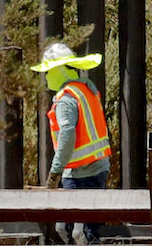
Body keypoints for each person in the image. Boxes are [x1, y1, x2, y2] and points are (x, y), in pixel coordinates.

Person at [32, 42, 112, 243]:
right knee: (87, 230)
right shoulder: (86, 89)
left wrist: (55, 172)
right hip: (99, 168)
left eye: (48, 71)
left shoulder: (66, 98)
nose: (47, 76)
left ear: (59, 69)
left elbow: (67, 135)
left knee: (72, 231)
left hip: (78, 174)